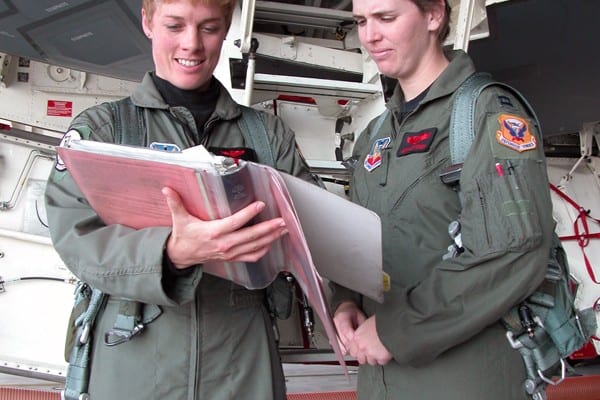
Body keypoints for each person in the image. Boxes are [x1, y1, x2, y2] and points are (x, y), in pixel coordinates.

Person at [45, 0, 313, 399]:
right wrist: (171, 253)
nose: (192, 44)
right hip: (134, 354)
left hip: (243, 360)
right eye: (175, 25)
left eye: (208, 27)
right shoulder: (103, 131)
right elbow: (75, 237)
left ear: (226, 30)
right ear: (148, 22)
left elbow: (315, 232)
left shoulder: (268, 137)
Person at [331, 0, 555, 399]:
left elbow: (514, 252)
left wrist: (396, 330)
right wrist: (344, 301)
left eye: (386, 18)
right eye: (361, 21)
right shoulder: (375, 137)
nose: (370, 35)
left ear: (434, 16)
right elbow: (359, 240)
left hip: (464, 379)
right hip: (381, 381)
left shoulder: (485, 114)